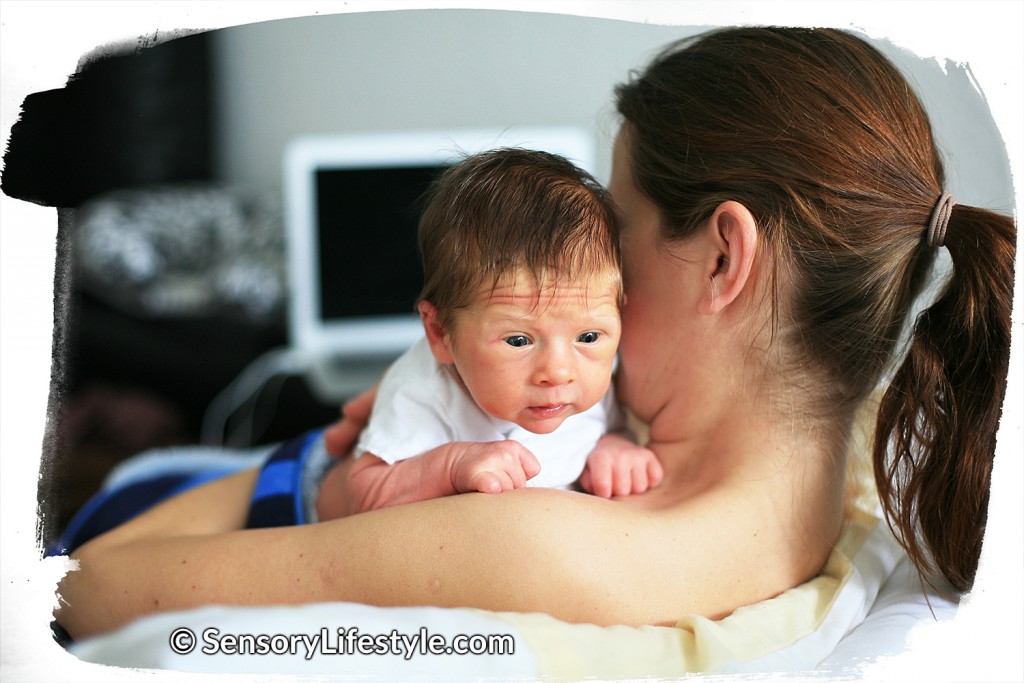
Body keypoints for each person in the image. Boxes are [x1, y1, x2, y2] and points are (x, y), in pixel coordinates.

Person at [53, 27, 1014, 645]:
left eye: (617, 236)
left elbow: (84, 594)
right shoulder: (844, 451)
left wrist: (313, 458)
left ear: (725, 257)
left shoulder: (540, 543)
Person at [342, 148, 660, 515]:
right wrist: (452, 466)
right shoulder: (422, 394)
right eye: (519, 340)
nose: (558, 372)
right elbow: (364, 493)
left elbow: (606, 429)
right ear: (441, 332)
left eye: (588, 336)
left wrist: (613, 448)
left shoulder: (588, 383)